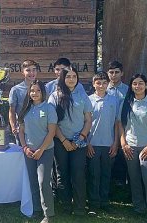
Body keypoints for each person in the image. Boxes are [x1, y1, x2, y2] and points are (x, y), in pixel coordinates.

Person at [48, 67, 92, 216]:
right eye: (68, 77)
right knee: (62, 174)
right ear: (62, 79)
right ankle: (66, 205)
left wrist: (80, 138)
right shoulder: (54, 96)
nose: (71, 79)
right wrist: (64, 140)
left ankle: (80, 207)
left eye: (74, 76)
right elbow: (53, 123)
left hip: (79, 141)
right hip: (61, 141)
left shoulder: (83, 96)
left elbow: (88, 120)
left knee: (78, 173)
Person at [118, 74, 147, 222]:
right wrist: (123, 144)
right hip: (130, 147)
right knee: (134, 178)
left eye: (141, 83)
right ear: (131, 86)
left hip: (146, 148)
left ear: (146, 86)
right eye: (135, 84)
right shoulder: (126, 103)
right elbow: (120, 125)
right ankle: (139, 207)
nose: (138, 86)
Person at [18, 80, 57, 223]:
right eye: (32, 91)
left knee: (43, 182)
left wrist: (41, 149)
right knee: (33, 181)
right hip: (29, 151)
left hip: (45, 151)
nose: (34, 93)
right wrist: (25, 147)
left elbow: (52, 131)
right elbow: (21, 131)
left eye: (38, 91)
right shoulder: (25, 109)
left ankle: (48, 214)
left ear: (43, 92)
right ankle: (36, 209)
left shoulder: (49, 108)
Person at [86, 72, 120, 214]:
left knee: (106, 174)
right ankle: (93, 204)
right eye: (98, 83)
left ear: (108, 84)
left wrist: (116, 143)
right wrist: (87, 143)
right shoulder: (88, 101)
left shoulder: (114, 100)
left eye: (104, 83)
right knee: (94, 174)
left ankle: (105, 202)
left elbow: (117, 123)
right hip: (92, 144)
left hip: (109, 143)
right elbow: (85, 123)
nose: (101, 85)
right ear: (93, 84)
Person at [106, 60, 129, 186]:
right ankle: (109, 183)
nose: (113, 75)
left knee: (122, 154)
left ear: (122, 73)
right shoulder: (103, 88)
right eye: (111, 72)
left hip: (124, 127)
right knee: (109, 155)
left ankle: (122, 182)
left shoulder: (128, 90)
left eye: (116, 72)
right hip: (107, 126)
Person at [8, 60, 38, 144]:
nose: (31, 73)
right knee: (22, 156)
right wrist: (13, 127)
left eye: (34, 69)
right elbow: (12, 110)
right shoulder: (16, 90)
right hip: (22, 130)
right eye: (28, 70)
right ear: (22, 72)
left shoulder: (43, 89)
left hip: (40, 130)